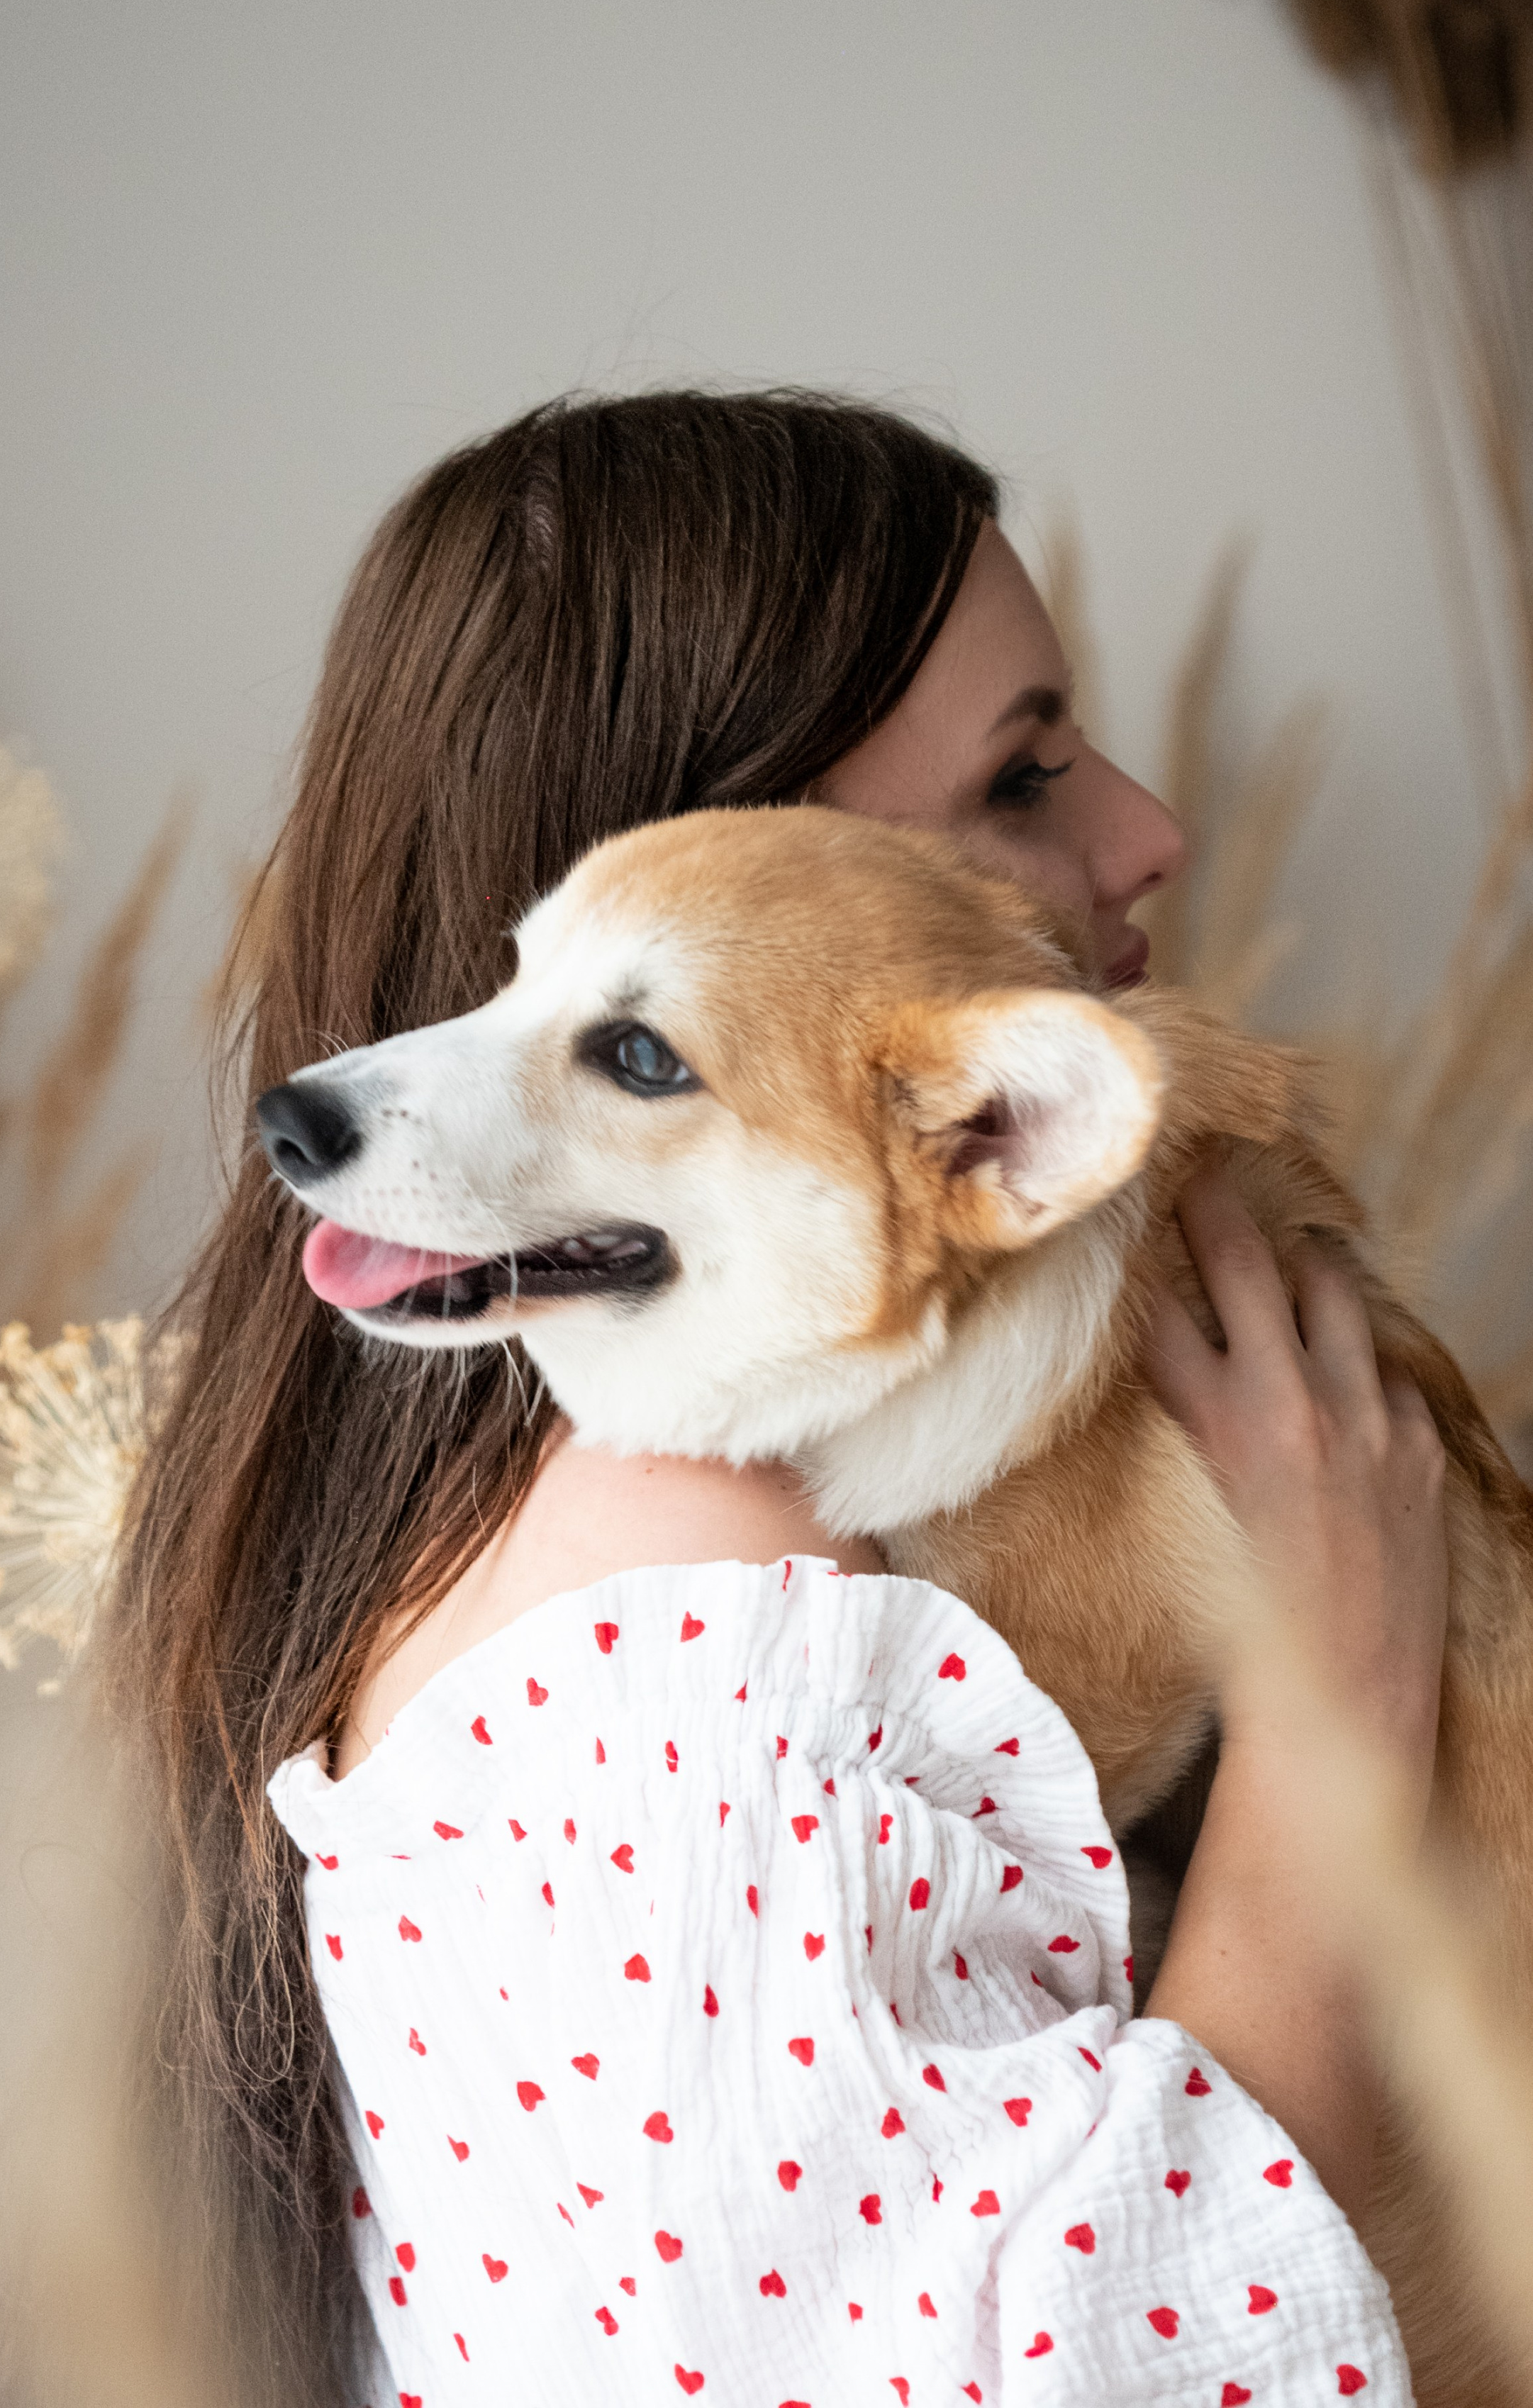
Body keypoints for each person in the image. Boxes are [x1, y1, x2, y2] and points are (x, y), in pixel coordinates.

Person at [111, 391, 1446, 2407]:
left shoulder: (578, 1518)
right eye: (1021, 776)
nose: (1144, 831)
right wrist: (1346, 1699)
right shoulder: (694, 1604)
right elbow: (1087, 2362)